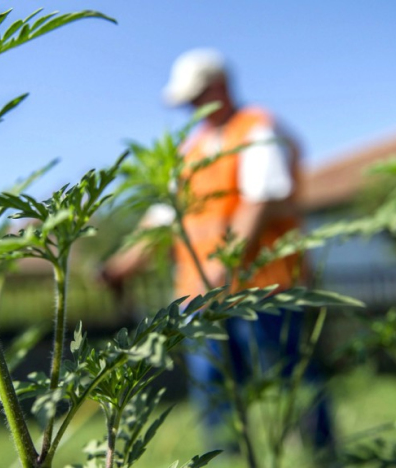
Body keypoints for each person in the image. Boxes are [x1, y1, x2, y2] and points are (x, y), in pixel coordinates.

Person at [102, 48, 334, 452]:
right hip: (199, 297)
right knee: (214, 395)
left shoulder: (257, 129)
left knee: (289, 382)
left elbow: (258, 201)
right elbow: (162, 219)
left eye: (196, 95)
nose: (191, 106)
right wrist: (121, 267)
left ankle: (324, 457)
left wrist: (219, 269)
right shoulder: (188, 151)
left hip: (263, 290)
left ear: (219, 86)